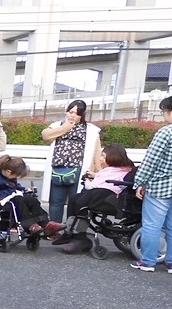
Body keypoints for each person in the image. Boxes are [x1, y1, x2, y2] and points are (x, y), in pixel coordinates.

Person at [54, 143, 135, 254]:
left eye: (103, 156)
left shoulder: (115, 171)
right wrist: (94, 175)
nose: (100, 159)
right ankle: (70, 232)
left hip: (107, 197)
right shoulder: (120, 170)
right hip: (104, 194)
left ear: (112, 158)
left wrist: (87, 180)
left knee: (81, 203)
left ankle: (80, 237)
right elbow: (106, 176)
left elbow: (92, 185)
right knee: (73, 199)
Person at [40, 99, 102, 223]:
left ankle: (71, 229)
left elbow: (97, 153)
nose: (72, 115)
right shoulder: (57, 125)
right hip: (57, 168)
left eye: (77, 113)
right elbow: (45, 136)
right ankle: (55, 228)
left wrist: (98, 173)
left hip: (79, 169)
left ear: (82, 115)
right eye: (70, 112)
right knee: (56, 201)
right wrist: (66, 127)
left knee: (76, 202)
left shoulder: (91, 130)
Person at [130, 96, 172, 272]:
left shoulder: (165, 133)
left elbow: (150, 162)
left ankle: (148, 261)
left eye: (164, 112)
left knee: (152, 225)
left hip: (160, 187)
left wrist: (139, 182)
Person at [0, 155, 64, 240]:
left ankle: (45, 223)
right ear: (8, 171)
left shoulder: (9, 174)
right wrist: (12, 192)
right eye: (16, 176)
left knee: (31, 200)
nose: (16, 177)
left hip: (10, 197)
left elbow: (14, 187)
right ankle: (29, 225)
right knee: (19, 200)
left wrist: (24, 191)